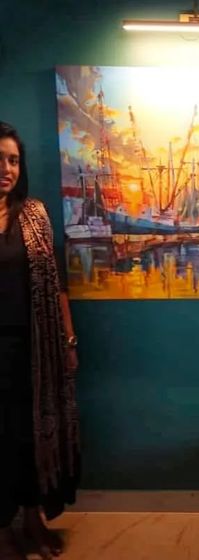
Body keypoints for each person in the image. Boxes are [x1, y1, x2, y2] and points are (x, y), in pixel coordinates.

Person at [0, 121, 80, 559]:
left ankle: (33, 519)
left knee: (30, 436)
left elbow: (57, 283)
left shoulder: (35, 215)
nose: (6, 169)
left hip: (34, 348)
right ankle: (3, 528)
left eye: (13, 160)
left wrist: (68, 340)